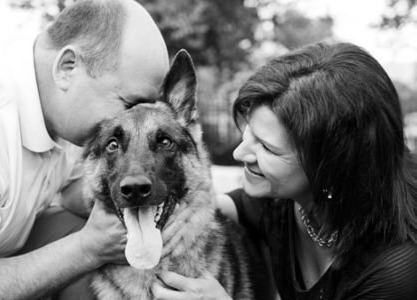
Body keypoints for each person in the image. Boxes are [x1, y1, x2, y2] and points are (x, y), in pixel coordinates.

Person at [152, 42, 417, 300]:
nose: (239, 153)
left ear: (329, 168)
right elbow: (213, 207)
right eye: (248, 133)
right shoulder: (280, 202)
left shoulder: (397, 272)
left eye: (267, 148)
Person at [0, 0, 169, 299]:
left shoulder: (66, 111)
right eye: (129, 104)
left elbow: (78, 188)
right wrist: (87, 248)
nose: (130, 123)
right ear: (67, 67)